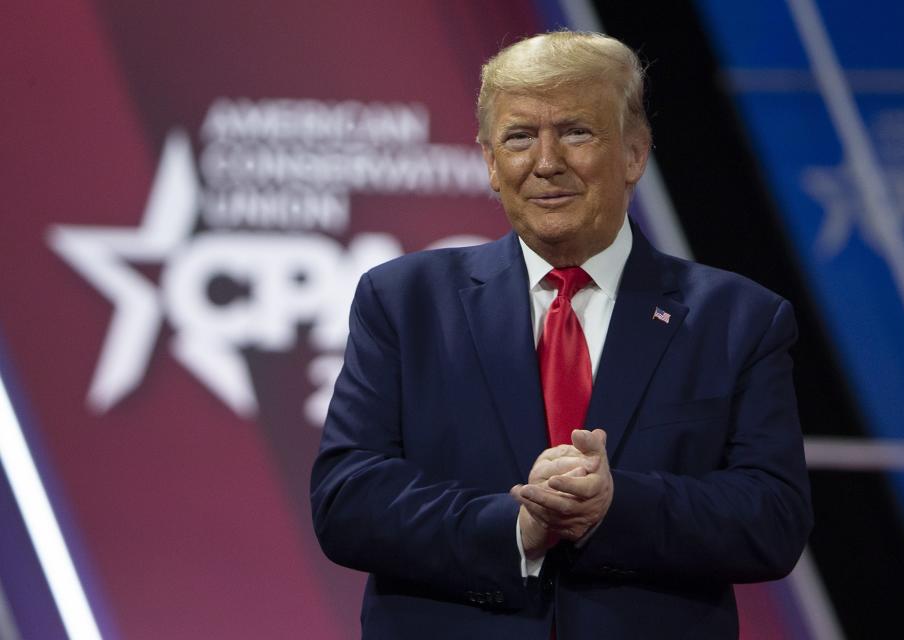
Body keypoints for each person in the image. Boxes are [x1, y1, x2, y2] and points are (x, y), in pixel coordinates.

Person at [310, 31, 812, 639]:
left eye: (576, 131)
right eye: (519, 137)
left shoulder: (738, 319)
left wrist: (614, 506)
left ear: (634, 153)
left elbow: (773, 520)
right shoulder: (403, 302)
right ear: (492, 163)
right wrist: (514, 526)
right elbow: (348, 500)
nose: (546, 163)